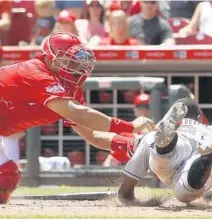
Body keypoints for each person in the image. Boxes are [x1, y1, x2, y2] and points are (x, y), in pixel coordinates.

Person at [0, 32, 155, 204]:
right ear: (51, 59)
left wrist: (129, 144)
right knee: (5, 176)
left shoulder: (68, 86)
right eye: (68, 60)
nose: (75, 65)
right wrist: (130, 126)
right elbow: (79, 114)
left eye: (76, 60)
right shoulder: (36, 72)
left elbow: (92, 135)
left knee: (6, 179)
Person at [117, 97, 212, 206]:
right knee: (185, 191)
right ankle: (207, 157)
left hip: (177, 143)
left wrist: (125, 194)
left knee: (159, 153)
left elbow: (126, 188)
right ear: (199, 117)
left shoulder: (151, 136)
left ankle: (165, 147)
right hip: (202, 144)